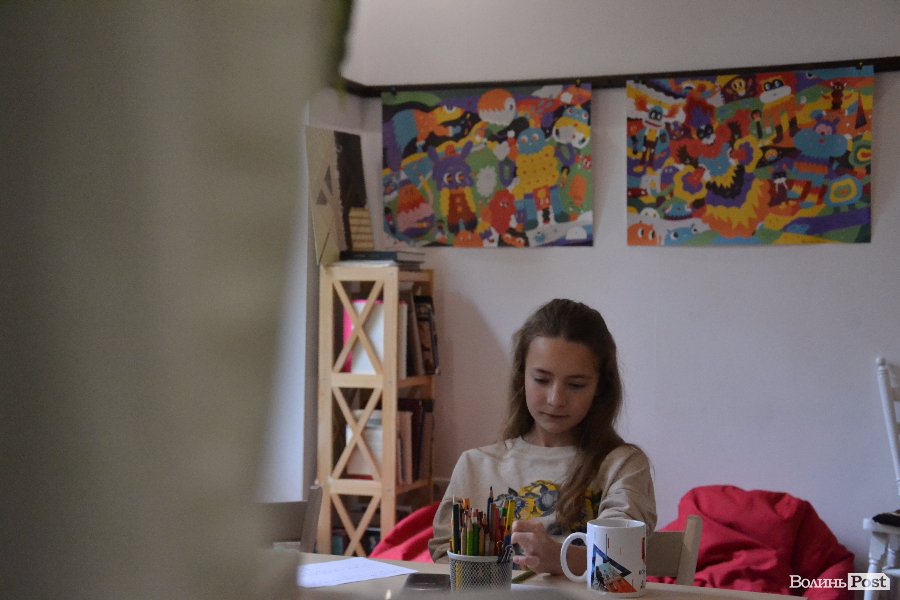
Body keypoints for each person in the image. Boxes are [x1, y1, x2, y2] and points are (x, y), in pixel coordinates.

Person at [428, 299, 656, 576]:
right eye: (541, 380)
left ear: (600, 388)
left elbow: (622, 554)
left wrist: (559, 558)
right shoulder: (475, 466)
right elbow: (444, 559)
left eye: (576, 385)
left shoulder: (622, 465)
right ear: (521, 377)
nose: (555, 399)